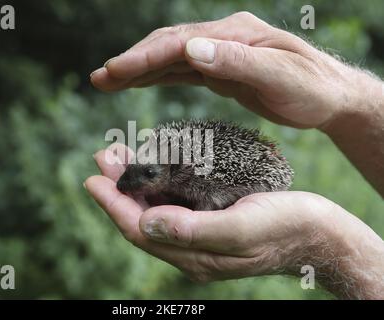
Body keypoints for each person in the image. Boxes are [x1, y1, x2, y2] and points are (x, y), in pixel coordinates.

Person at [85, 12, 384, 299]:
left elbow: (207, 196)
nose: (130, 182)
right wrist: (349, 101)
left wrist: (329, 249)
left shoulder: (196, 177)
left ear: (177, 168)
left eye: (149, 174)